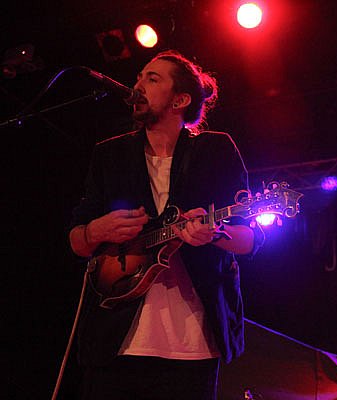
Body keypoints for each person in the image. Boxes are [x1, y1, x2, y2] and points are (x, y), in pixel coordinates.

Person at [68, 50, 263, 399]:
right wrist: (96, 230)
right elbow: (77, 241)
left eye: (152, 78)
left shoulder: (215, 150)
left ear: (180, 100)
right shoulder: (109, 155)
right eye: (139, 76)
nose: (138, 84)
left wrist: (213, 234)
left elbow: (249, 239)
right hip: (116, 340)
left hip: (192, 346)